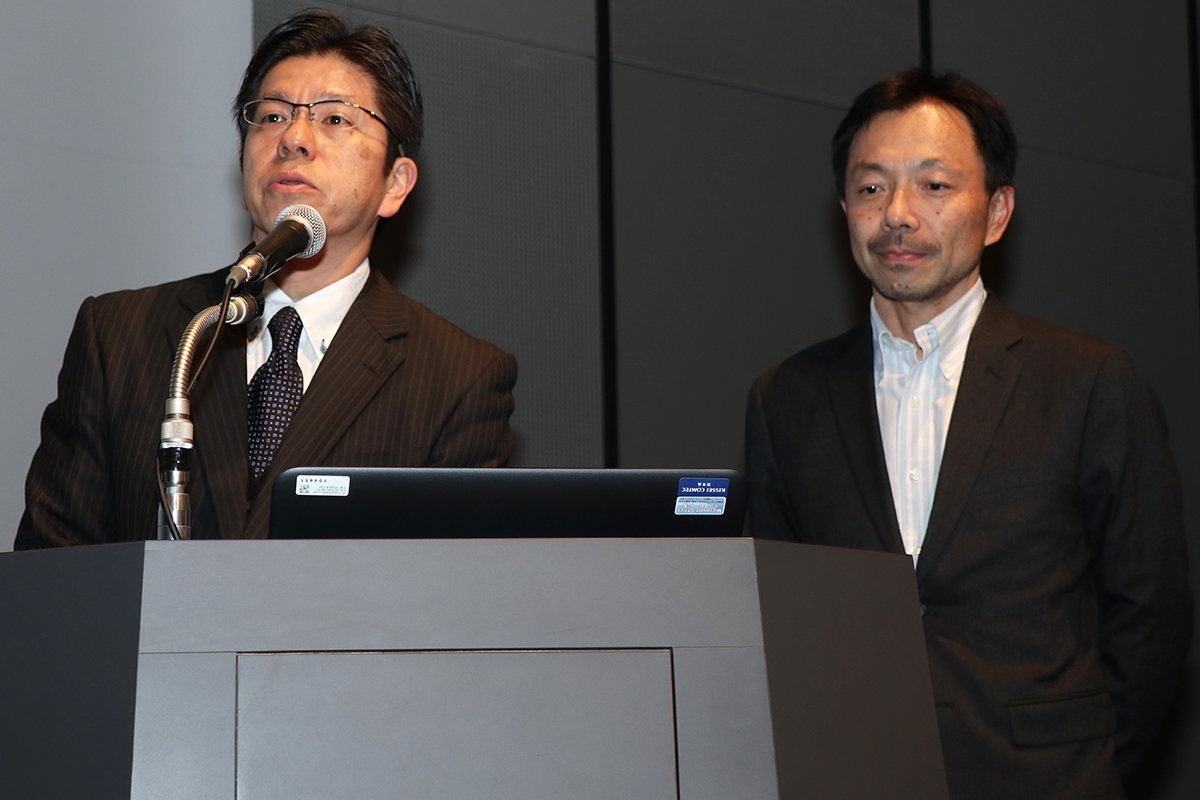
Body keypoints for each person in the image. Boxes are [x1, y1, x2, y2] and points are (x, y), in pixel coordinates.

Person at [745, 68, 1191, 798]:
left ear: (997, 211)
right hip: (856, 775)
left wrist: (1094, 772)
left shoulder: (1087, 381)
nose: (897, 215)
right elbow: (780, 623)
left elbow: (1150, 613)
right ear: (845, 210)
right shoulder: (786, 399)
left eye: (934, 185)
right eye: (871, 187)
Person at [17, 10, 516, 547]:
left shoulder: (458, 377)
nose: (294, 138)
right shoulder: (119, 335)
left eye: (334, 119)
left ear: (395, 184)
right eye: (272, 116)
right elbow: (52, 572)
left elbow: (446, 587)